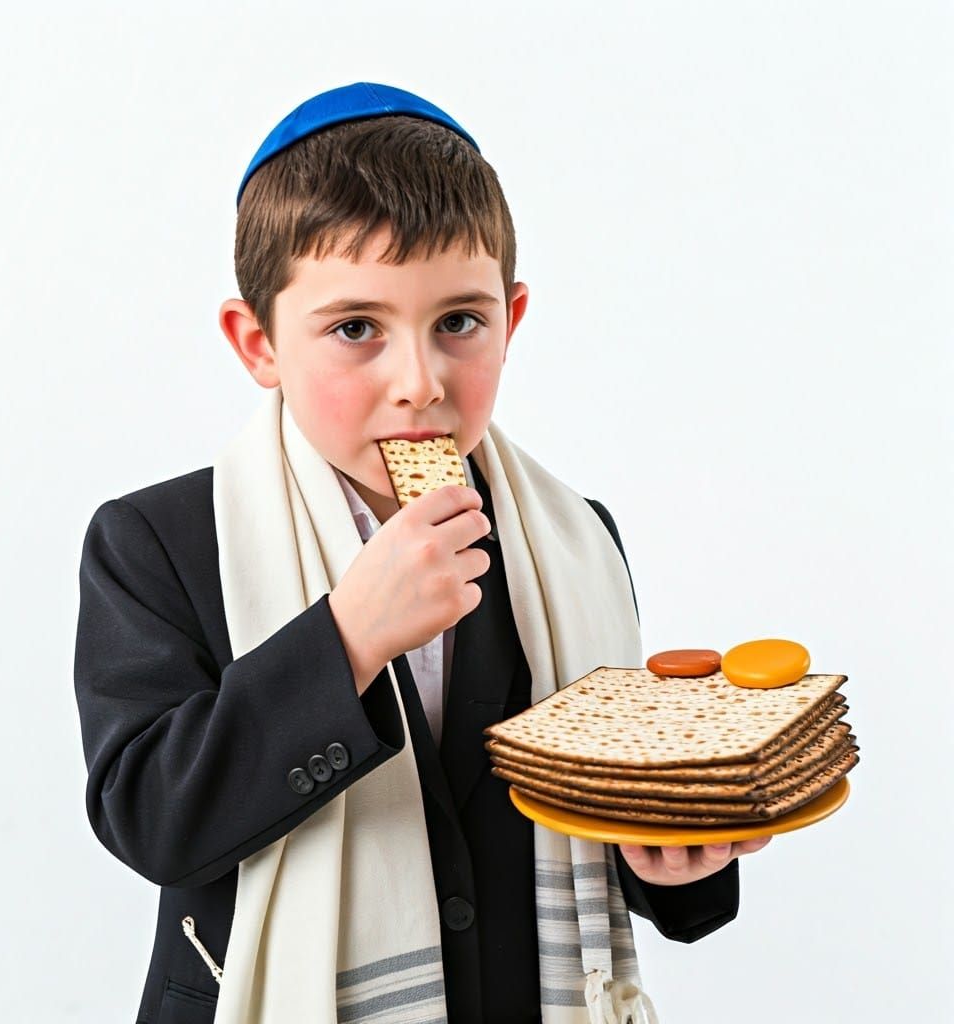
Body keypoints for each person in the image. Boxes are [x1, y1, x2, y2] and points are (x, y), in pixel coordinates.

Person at [73, 82, 771, 1024]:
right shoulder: (156, 542)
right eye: (356, 327)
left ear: (511, 322)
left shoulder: (579, 540)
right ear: (258, 342)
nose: (420, 383)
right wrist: (347, 638)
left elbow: (597, 838)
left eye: (459, 322)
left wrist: (674, 852)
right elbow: (152, 821)